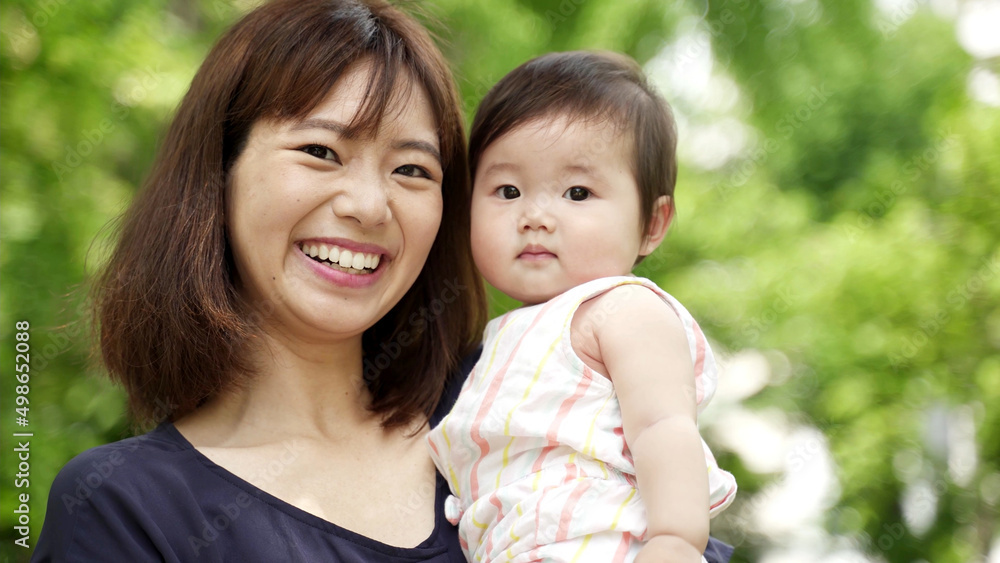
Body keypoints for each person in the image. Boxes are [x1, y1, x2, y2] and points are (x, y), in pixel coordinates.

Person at [33, 0, 488, 560]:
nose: (370, 206)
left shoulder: (507, 417)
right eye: (320, 151)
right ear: (218, 172)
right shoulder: (123, 507)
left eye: (412, 170)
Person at [427, 51, 738, 563]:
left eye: (577, 192)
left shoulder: (621, 310)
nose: (535, 216)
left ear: (653, 224)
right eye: (507, 190)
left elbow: (664, 426)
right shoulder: (488, 349)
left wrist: (675, 542)